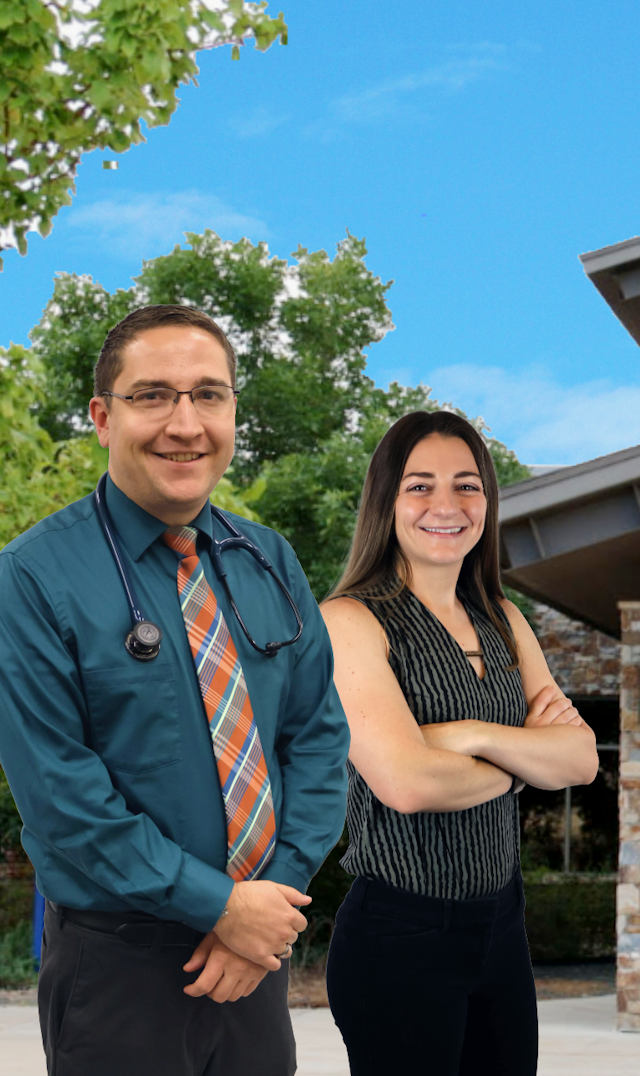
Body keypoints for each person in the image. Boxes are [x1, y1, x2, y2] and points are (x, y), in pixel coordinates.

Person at [0, 304, 350, 1074]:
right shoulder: (30, 576)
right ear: (101, 416)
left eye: (209, 395)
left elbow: (319, 740)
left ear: (233, 412)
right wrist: (219, 904)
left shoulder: (269, 561)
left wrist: (269, 906)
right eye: (152, 395)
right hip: (119, 967)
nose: (184, 423)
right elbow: (63, 796)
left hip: (253, 957)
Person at [320, 409, 599, 1076]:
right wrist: (525, 758)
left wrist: (473, 736)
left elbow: (582, 758)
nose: (445, 505)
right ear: (387, 500)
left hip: (501, 928)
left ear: (487, 502)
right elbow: (408, 783)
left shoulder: (503, 619)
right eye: (420, 485)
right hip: (398, 934)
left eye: (466, 485)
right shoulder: (349, 621)